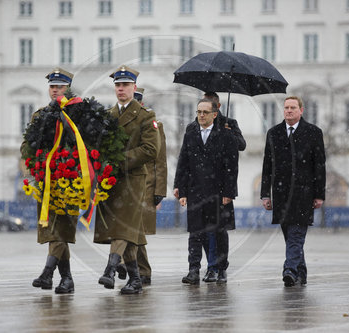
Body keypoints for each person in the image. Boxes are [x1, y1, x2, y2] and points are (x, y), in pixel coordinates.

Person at [93, 65, 159, 294]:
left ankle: (110, 270)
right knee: (127, 231)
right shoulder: (108, 116)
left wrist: (120, 158)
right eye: (118, 85)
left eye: (125, 85)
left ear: (134, 87)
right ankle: (136, 279)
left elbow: (151, 149)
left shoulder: (145, 116)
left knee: (121, 227)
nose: (121, 89)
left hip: (134, 180)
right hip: (111, 181)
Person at [175, 91, 246, 283]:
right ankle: (194, 270)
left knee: (217, 231)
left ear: (215, 113)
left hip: (218, 191)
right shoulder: (191, 131)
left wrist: (230, 192)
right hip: (196, 189)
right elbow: (184, 161)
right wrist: (180, 188)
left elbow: (232, 166)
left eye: (205, 112)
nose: (201, 115)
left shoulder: (226, 131)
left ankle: (217, 267)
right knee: (195, 231)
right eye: (198, 111)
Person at [260, 96, 326, 287]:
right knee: (290, 235)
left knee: (296, 234)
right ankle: (301, 272)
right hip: (281, 194)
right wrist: (265, 193)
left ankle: (289, 269)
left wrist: (319, 194)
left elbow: (319, 166)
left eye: (293, 107)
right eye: (286, 107)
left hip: (304, 194)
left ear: (301, 110)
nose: (288, 110)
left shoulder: (313, 133)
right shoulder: (274, 133)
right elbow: (267, 166)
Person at [23, 67, 76, 294]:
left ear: (68, 88)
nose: (56, 91)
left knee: (60, 228)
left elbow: (86, 145)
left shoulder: (78, 112)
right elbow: (26, 145)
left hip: (70, 181)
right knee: (55, 229)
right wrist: (36, 160)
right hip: (46, 181)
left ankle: (47, 273)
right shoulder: (40, 114)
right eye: (53, 87)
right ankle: (66, 279)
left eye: (60, 87)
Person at [134, 87, 167, 285]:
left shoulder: (155, 126)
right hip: (124, 183)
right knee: (130, 228)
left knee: (133, 228)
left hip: (146, 185)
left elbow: (160, 161)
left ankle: (122, 262)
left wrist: (159, 191)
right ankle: (142, 270)